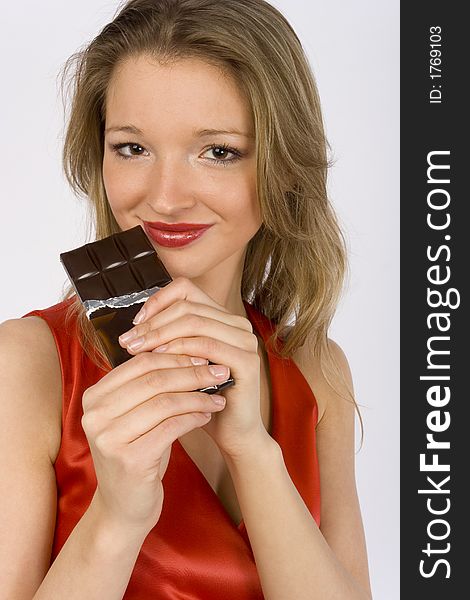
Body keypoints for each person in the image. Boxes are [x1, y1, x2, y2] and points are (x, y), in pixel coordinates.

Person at [0, 0, 372, 598]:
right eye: (131, 148)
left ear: (284, 168)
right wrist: (117, 516)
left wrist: (252, 450)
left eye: (218, 151)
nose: (166, 198)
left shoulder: (314, 368)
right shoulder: (27, 365)